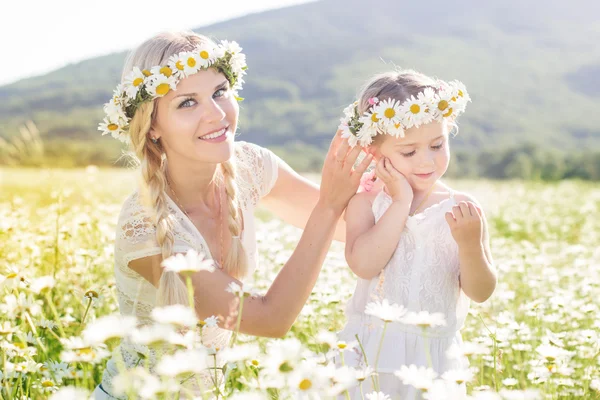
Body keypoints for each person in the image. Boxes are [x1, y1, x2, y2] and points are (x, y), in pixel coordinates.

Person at [93, 31, 371, 399]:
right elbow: (270, 319)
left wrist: (408, 168)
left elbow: (353, 228)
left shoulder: (250, 165)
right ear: (153, 125)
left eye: (219, 92)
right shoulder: (144, 226)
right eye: (187, 103)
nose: (216, 113)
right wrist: (330, 204)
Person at [337, 70, 497, 398]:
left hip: (434, 360)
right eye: (408, 152)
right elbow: (365, 265)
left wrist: (470, 245)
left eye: (437, 145)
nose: (426, 160)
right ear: (375, 153)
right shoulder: (367, 204)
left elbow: (480, 292)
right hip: (370, 350)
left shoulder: (462, 208)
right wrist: (401, 201)